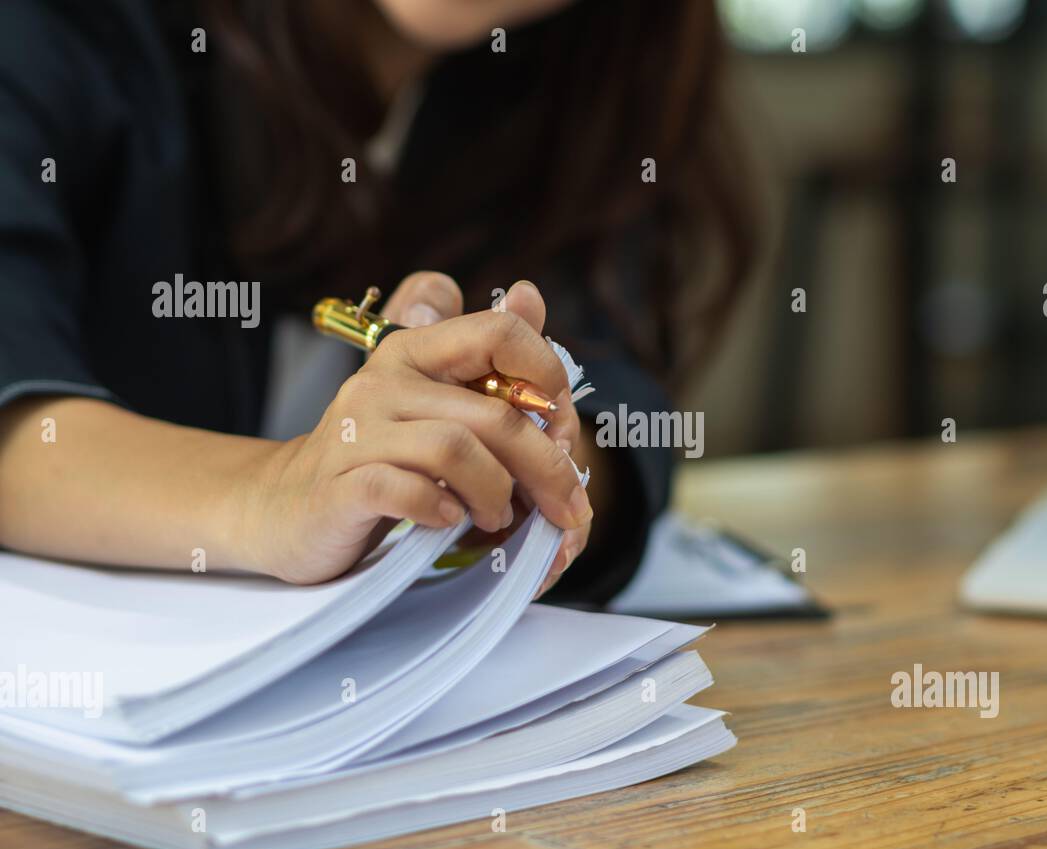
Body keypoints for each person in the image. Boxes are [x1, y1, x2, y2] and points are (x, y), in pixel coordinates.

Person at [0, 0, 753, 601]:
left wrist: (538, 456)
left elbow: (618, 397)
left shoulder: (595, 78)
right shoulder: (68, 29)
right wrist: (277, 494)